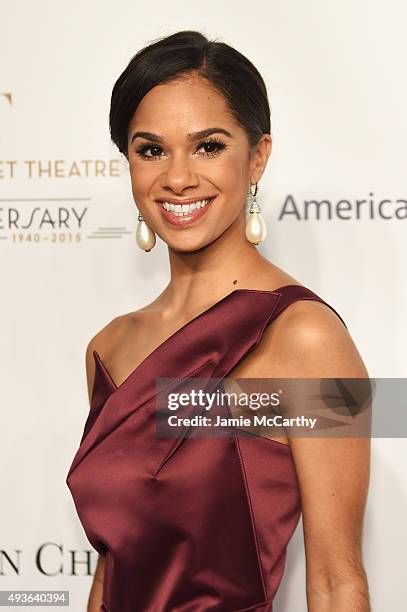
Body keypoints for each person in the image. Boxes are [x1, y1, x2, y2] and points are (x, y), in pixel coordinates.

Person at [66, 30, 371, 611]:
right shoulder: (109, 349)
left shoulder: (307, 338)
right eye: (150, 149)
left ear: (257, 156)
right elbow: (112, 569)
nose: (177, 178)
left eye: (208, 146)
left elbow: (337, 581)